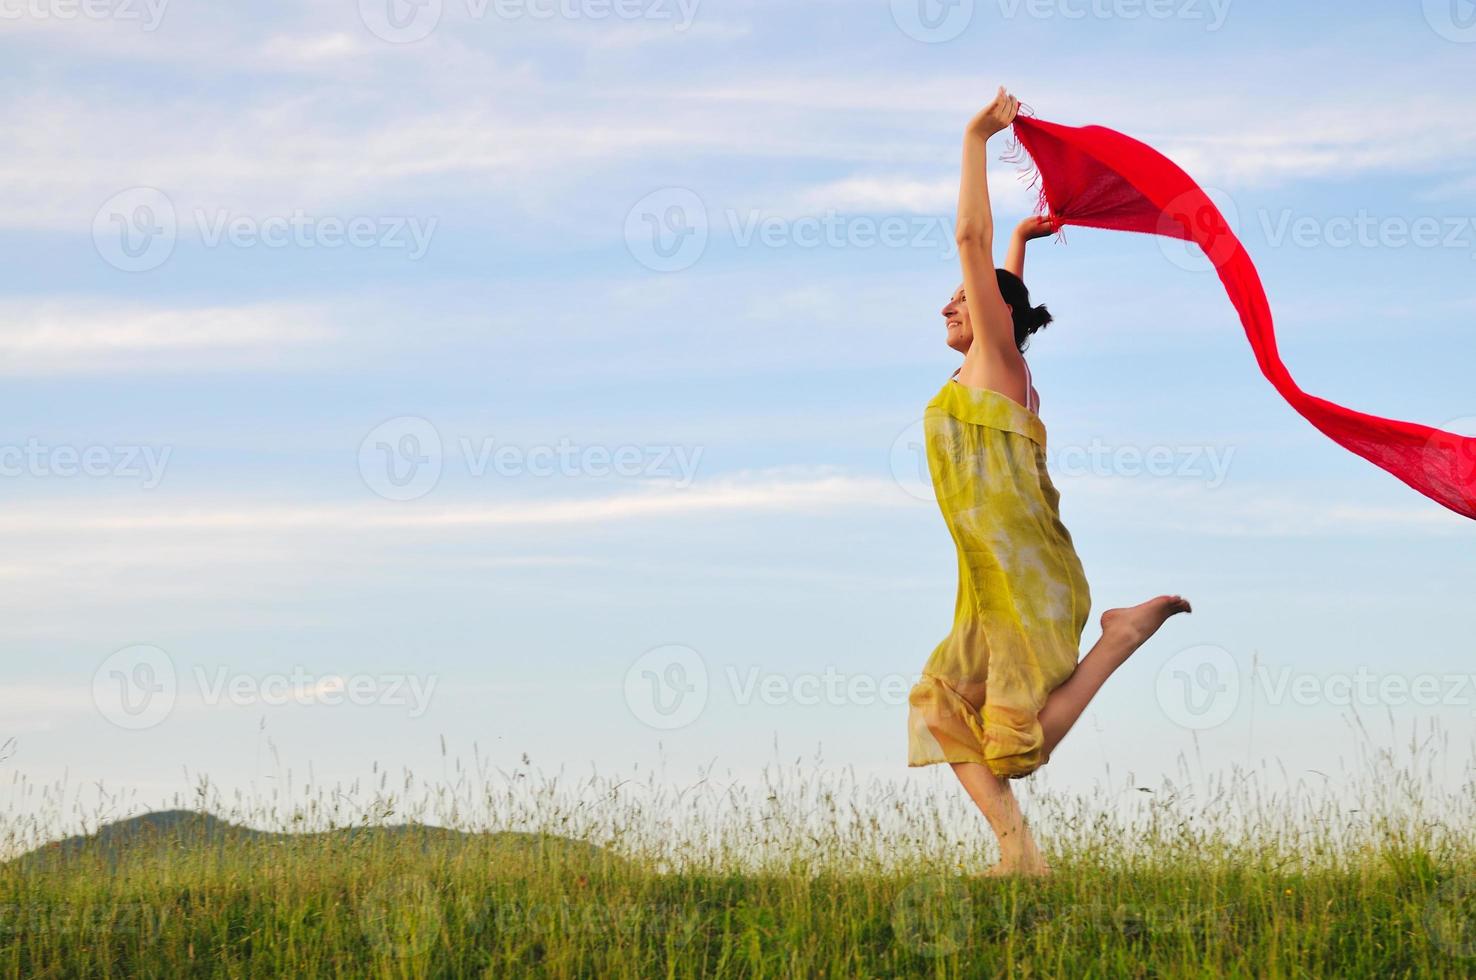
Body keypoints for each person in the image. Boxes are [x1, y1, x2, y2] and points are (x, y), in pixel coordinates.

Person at [905, 87, 1193, 878]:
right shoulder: (1004, 367)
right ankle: (1019, 857)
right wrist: (1025, 242)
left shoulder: (997, 362)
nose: (946, 305)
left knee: (1012, 743)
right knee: (940, 707)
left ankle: (1120, 639)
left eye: (961, 299)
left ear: (994, 314)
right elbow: (1000, 286)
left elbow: (970, 235)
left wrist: (974, 137)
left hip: (1021, 575)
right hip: (996, 576)